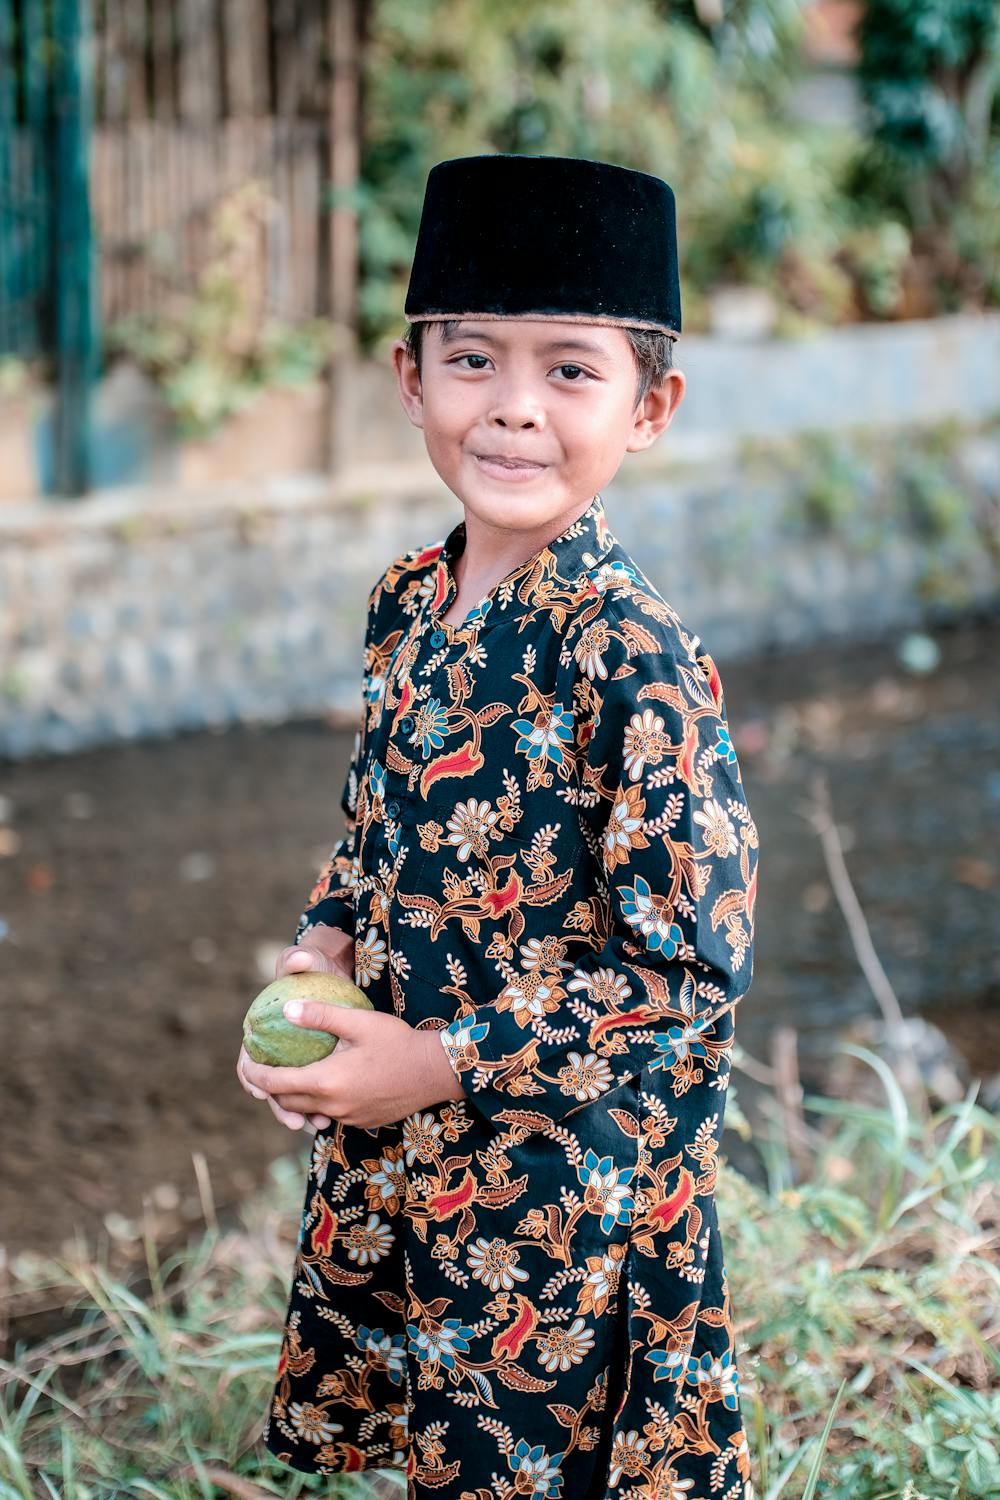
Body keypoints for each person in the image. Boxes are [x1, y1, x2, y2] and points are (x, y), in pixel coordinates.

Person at [238, 153, 760, 1499]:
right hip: (412, 1165)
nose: (514, 410)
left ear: (652, 407)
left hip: (569, 1218)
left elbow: (683, 987)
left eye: (570, 370)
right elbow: (379, 814)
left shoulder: (638, 663)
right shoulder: (407, 603)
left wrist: (427, 1061)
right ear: (411, 380)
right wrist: (327, 940)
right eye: (472, 360)